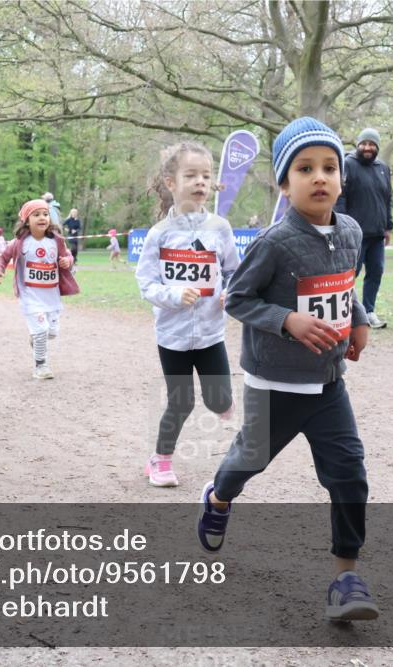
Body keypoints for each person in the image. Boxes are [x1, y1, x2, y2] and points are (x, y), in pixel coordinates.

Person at [198, 117, 379, 622]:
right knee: (245, 464)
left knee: (349, 475)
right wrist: (287, 320)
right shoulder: (274, 242)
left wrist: (359, 319)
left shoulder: (351, 230)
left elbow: (345, 283)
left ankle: (346, 576)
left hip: (327, 385)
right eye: (305, 169)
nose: (319, 177)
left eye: (329, 167)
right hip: (273, 386)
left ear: (342, 179)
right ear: (284, 183)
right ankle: (217, 497)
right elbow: (238, 299)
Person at [136, 141, 240, 487]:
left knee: (220, 400)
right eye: (191, 175)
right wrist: (174, 294)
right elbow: (147, 283)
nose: (200, 182)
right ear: (170, 183)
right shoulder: (159, 235)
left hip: (211, 334)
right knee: (181, 403)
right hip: (173, 337)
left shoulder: (220, 229)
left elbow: (234, 272)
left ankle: (222, 401)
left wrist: (231, 292)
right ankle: (160, 461)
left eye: (206, 176)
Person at [0, 199, 78, 380]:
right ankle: (41, 366)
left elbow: (68, 256)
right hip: (30, 296)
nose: (42, 218)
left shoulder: (57, 241)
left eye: (45, 214)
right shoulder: (19, 243)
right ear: (26, 220)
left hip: (51, 296)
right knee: (41, 331)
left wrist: (67, 261)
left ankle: (37, 338)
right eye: (36, 215)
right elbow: (3, 257)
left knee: (51, 333)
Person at [333, 127, 392, 329]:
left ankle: (368, 311)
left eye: (372, 144)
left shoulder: (383, 168)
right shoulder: (347, 164)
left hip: (377, 234)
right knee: (350, 273)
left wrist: (388, 227)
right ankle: (344, 313)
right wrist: (342, 224)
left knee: (376, 272)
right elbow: (340, 197)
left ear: (377, 147)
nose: (367, 147)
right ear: (358, 144)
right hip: (354, 234)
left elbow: (387, 199)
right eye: (364, 143)